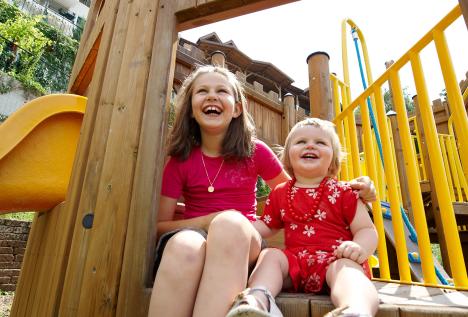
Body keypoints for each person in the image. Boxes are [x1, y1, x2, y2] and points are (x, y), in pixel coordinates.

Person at [148, 66, 376, 317]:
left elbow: (299, 191)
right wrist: (206, 221)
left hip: (241, 240)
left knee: (230, 224)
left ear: (236, 108)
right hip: (195, 235)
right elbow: (160, 225)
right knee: (184, 244)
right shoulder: (180, 161)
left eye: (221, 90)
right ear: (191, 108)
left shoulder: (255, 152)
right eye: (202, 91)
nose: (212, 96)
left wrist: (355, 193)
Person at [226, 118, 379, 317]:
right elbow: (267, 225)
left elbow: (366, 229)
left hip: (335, 259)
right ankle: (257, 301)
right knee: (271, 256)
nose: (310, 145)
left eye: (321, 143)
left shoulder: (344, 192)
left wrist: (360, 247)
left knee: (348, 271)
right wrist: (238, 227)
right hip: (295, 265)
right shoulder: (281, 193)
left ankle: (355, 310)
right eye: (301, 142)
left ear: (333, 159)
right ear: (288, 157)